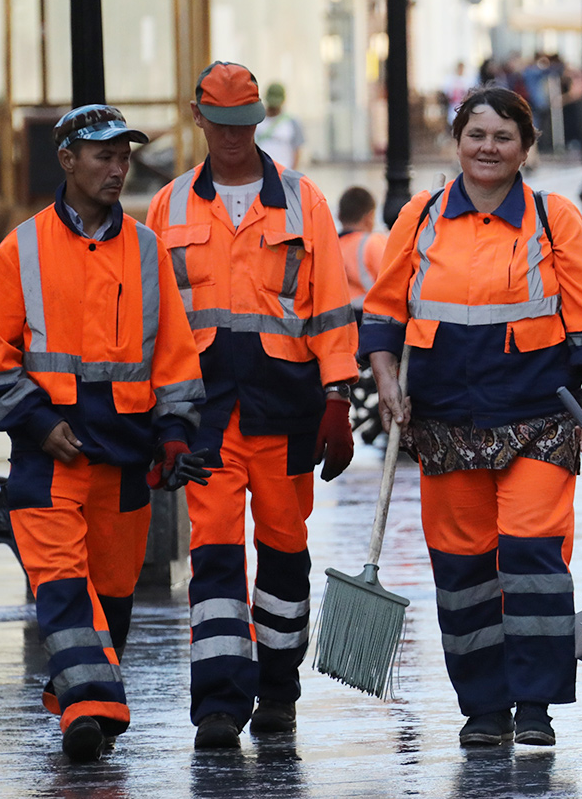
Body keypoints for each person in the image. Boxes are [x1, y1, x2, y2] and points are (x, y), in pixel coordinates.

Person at [361, 85, 582, 749]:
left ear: (525, 150)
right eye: (477, 135)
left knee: (533, 558)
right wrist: (387, 378)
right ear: (458, 142)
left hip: (539, 417)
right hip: (445, 423)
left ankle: (533, 703)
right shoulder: (420, 217)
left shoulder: (553, 217)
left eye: (504, 137)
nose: (488, 148)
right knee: (463, 568)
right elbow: (385, 310)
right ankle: (483, 707)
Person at [0, 104, 210, 762]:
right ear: (68, 160)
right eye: (103, 155)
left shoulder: (145, 250)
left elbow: (174, 354)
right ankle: (86, 706)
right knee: (62, 583)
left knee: (111, 591)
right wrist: (40, 423)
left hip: (127, 454)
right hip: (49, 456)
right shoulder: (19, 250)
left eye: (124, 155)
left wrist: (173, 432)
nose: (118, 167)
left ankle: (83, 695)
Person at [145, 62, 359, 750]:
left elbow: (329, 305)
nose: (234, 138)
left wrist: (338, 398)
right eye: (221, 124)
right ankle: (216, 701)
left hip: (287, 408)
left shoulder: (303, 203)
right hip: (205, 413)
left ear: (258, 121)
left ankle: (277, 689)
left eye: (245, 125)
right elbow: (154, 317)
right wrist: (157, 417)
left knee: (284, 551)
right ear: (198, 117)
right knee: (212, 556)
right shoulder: (170, 206)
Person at [336, 185, 387, 313]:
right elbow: (391, 283)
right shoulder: (372, 243)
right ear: (369, 217)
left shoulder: (328, 246)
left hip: (334, 318)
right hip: (366, 317)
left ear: (339, 216)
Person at [254, 81, 306, 169]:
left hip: (283, 172)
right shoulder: (256, 120)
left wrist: (292, 174)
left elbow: (297, 150)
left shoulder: (291, 122)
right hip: (260, 171)